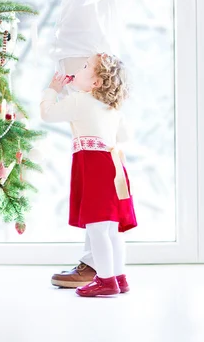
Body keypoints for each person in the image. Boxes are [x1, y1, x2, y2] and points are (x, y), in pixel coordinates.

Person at [10, 0, 139, 288]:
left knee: (97, 157)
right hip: (80, 59)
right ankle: (99, 260)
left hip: (92, 61)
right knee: (91, 155)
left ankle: (97, 262)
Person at [40, 54, 137, 297]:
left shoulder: (80, 102)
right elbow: (124, 136)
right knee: (113, 229)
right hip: (115, 167)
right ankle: (118, 276)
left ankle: (105, 281)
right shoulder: (111, 107)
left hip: (95, 168)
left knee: (97, 229)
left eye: (85, 67)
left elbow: (47, 114)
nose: (79, 68)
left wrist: (53, 89)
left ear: (95, 83)